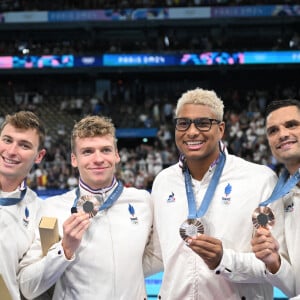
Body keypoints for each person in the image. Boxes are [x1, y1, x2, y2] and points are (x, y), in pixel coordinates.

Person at [150, 87, 293, 299]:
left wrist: (224, 260)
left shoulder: (260, 179)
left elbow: (277, 267)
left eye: (203, 123)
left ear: (221, 129)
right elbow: (158, 255)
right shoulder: (163, 181)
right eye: (183, 123)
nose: (191, 132)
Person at [18, 115, 156, 299]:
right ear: (74, 159)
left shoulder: (143, 201)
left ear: (116, 155)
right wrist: (64, 250)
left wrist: (121, 273)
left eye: (105, 150)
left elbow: (158, 257)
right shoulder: (50, 208)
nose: (98, 159)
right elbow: (27, 286)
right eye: (88, 151)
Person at [252, 99, 300, 298]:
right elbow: (293, 287)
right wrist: (274, 263)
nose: (283, 134)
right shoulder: (283, 196)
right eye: (273, 130)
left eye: (292, 125)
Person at [0, 111, 46, 300]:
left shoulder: (41, 212)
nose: (11, 151)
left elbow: (30, 286)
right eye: (7, 140)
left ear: (39, 156)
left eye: (24, 145)